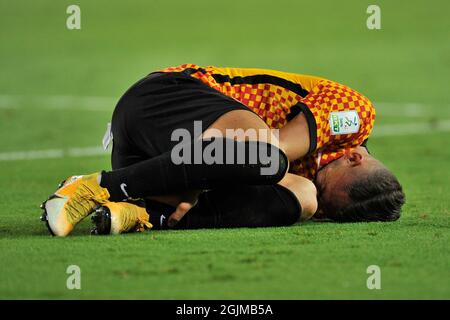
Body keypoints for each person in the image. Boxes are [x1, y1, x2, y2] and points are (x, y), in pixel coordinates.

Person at [40, 64, 405, 236]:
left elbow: (242, 171)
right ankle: (97, 186)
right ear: (355, 157)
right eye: (330, 191)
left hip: (156, 164)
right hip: (161, 101)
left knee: (302, 196)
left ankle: (145, 213)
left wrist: (314, 200)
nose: (321, 203)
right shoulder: (355, 116)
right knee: (270, 157)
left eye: (329, 210)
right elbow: (268, 147)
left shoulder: (314, 185)